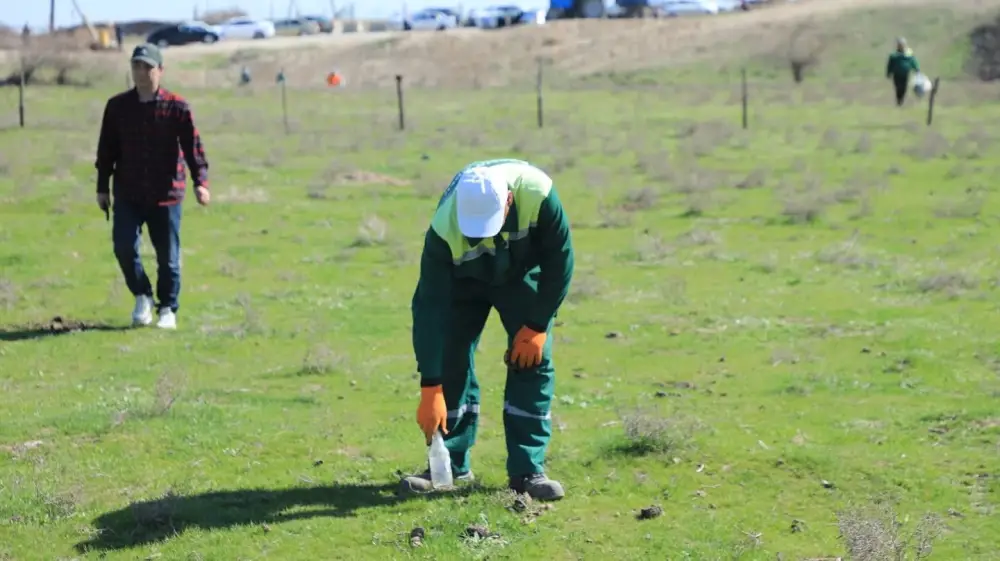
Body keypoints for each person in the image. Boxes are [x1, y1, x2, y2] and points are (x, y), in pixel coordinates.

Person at [402, 159, 574, 501]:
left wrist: (537, 326)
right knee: (450, 358)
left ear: (508, 201)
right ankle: (450, 467)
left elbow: (560, 260)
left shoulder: (539, 194)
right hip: (462, 281)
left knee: (532, 360)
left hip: (520, 271)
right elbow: (430, 309)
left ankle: (528, 471)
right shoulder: (444, 228)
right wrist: (430, 385)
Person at [94, 44, 210, 330]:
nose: (141, 72)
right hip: (128, 191)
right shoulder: (117, 107)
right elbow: (106, 150)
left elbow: (193, 148)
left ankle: (168, 308)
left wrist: (201, 183)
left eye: (147, 67)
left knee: (168, 257)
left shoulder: (177, 107)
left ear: (160, 70)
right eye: (136, 66)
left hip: (166, 193)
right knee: (123, 247)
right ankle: (143, 295)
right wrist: (102, 187)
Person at [886, 37, 920, 106]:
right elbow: (890, 65)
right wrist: (889, 73)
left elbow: (913, 61)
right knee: (898, 87)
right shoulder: (894, 55)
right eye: (900, 45)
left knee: (904, 88)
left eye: (902, 44)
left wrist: (916, 69)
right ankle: (899, 101)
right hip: (897, 74)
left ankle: (901, 100)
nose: (901, 46)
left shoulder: (908, 54)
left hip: (905, 74)